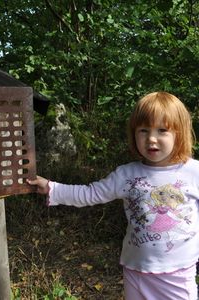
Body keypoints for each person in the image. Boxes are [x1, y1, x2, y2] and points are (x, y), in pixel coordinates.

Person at [28, 92, 199, 300]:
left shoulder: (193, 172)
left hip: (177, 276)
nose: (151, 139)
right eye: (143, 130)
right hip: (135, 271)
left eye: (162, 130)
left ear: (179, 134)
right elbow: (91, 193)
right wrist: (52, 188)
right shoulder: (126, 174)